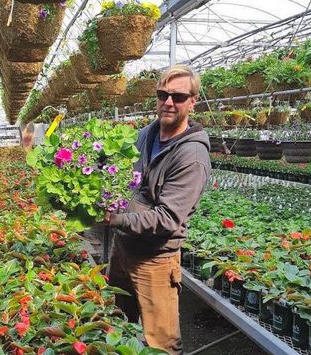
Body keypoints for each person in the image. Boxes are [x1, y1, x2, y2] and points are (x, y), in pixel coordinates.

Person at [104, 64, 211, 354]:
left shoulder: (192, 156)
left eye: (178, 97)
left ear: (193, 101)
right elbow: (124, 180)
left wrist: (116, 219)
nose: (168, 102)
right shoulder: (145, 135)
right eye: (163, 94)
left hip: (155, 260)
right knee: (118, 327)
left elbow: (166, 219)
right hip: (123, 250)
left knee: (161, 343)